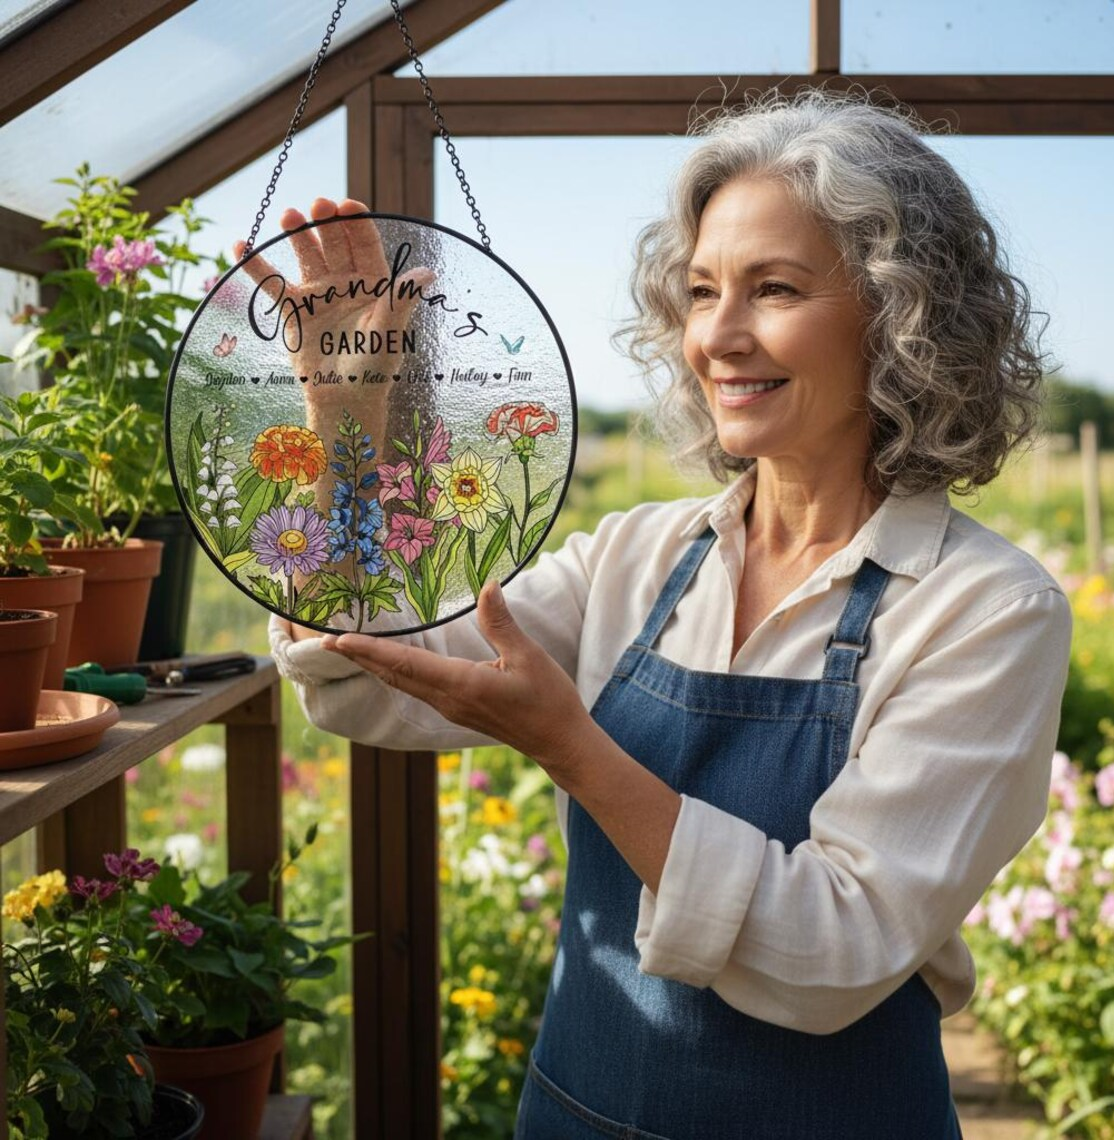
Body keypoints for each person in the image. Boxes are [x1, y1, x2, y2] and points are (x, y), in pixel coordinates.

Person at [266, 89, 1072, 1139]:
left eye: (773, 289)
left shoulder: (986, 608)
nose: (719, 337)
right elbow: (375, 676)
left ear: (902, 311)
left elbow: (834, 949)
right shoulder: (639, 557)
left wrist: (572, 747)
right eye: (700, 293)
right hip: (574, 1111)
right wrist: (344, 424)